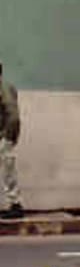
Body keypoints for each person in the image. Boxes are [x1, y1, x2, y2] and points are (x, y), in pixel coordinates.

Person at [0, 63, 23, 220]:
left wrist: (8, 138)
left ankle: (15, 205)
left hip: (4, 136)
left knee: (8, 169)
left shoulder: (4, 88)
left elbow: (13, 115)